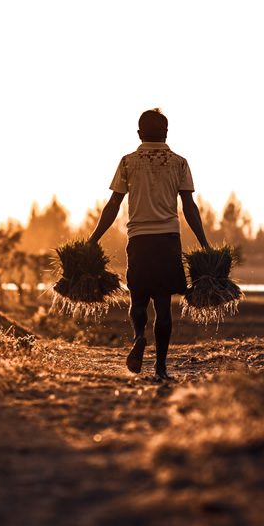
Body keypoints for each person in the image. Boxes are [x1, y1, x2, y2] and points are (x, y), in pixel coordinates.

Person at [88, 108, 210, 380]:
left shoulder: (128, 162)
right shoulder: (179, 163)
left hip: (139, 240)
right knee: (164, 305)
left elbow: (113, 205)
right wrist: (204, 243)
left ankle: (139, 336)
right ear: (166, 133)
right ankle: (161, 368)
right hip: (168, 240)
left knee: (139, 298)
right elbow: (189, 207)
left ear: (139, 134)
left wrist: (93, 239)